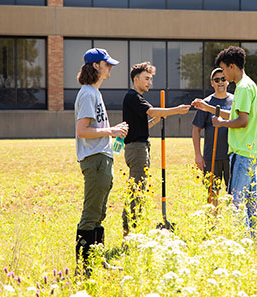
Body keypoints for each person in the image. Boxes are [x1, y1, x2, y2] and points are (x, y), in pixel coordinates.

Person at [192, 46, 257, 238]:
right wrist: (210, 109)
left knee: (237, 202)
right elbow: (235, 114)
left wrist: (222, 124)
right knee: (250, 202)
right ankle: (254, 240)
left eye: (224, 69)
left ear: (232, 66)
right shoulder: (248, 85)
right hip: (249, 152)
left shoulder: (242, 88)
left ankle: (243, 242)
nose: (223, 74)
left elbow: (242, 121)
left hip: (242, 153)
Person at [74, 48, 129, 270]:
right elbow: (82, 131)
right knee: (91, 214)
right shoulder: (88, 93)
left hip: (102, 159)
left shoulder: (95, 93)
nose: (111, 67)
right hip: (95, 159)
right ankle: (85, 266)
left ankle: (97, 260)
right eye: (107, 64)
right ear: (96, 66)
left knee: (100, 213)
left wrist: (114, 130)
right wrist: (112, 130)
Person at [122, 61, 191, 236]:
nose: (149, 83)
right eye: (146, 79)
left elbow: (142, 124)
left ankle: (132, 227)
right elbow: (152, 111)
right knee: (137, 188)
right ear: (136, 79)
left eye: (151, 79)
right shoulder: (133, 97)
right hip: (137, 149)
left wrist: (154, 121)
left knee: (140, 187)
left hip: (140, 146)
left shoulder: (136, 99)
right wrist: (175, 110)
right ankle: (130, 230)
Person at [192, 68, 233, 198]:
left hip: (231, 154)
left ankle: (230, 218)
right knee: (212, 193)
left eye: (223, 79)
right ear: (212, 83)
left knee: (233, 192)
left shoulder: (235, 101)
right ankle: (213, 218)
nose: (220, 82)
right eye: (217, 80)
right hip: (212, 155)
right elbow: (196, 129)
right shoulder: (206, 103)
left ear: (227, 81)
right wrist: (198, 155)